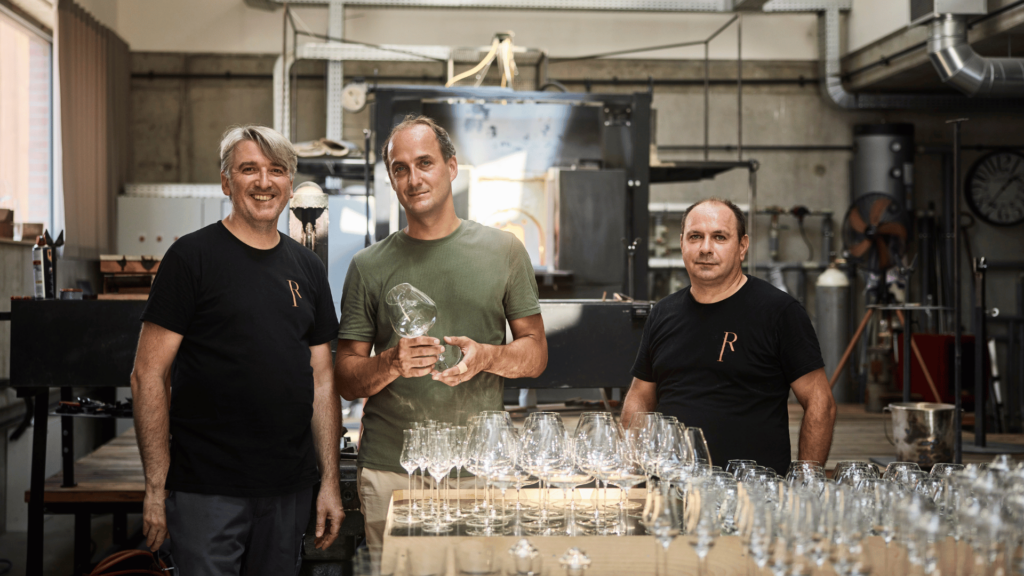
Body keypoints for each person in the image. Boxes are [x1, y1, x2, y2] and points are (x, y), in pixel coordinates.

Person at [130, 125, 344, 575]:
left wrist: (329, 482)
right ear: (226, 183)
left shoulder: (308, 267)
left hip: (287, 488)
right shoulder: (191, 258)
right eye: (249, 169)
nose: (264, 182)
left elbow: (323, 380)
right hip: (208, 489)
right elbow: (148, 375)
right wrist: (155, 486)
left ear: (290, 184)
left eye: (276, 170)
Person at [334, 115, 548, 551]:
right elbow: (346, 378)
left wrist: (488, 357)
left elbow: (536, 354)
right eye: (400, 168)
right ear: (392, 180)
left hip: (481, 469)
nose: (414, 179)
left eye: (425, 163)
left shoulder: (504, 251)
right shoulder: (368, 266)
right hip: (394, 471)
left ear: (451, 167)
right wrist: (390, 363)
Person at [621, 198, 836, 475]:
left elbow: (820, 402)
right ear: (682, 243)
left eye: (719, 237)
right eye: (695, 237)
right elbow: (640, 396)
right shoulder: (663, 313)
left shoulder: (779, 312)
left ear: (742, 246)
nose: (705, 248)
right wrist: (634, 470)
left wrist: (806, 481)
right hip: (672, 484)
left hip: (752, 491)